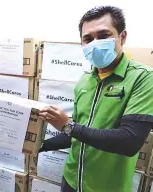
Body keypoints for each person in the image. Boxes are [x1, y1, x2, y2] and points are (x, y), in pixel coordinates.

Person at [39, 6, 153, 192]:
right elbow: (77, 135)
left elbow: (129, 141)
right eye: (88, 39)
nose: (95, 43)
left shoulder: (144, 78)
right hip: (71, 181)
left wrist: (68, 125)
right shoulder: (84, 81)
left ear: (122, 37)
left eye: (103, 35)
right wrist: (39, 145)